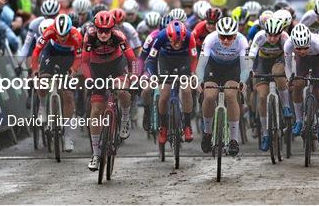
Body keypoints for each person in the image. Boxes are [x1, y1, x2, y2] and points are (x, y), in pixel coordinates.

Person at [81, 11, 138, 171]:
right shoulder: (89, 37)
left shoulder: (119, 36)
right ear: (95, 28)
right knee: (96, 110)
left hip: (116, 66)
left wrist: (133, 77)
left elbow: (132, 59)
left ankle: (125, 118)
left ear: (112, 29)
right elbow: (84, 63)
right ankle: (95, 153)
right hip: (97, 68)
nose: (104, 34)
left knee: (122, 91)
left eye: (107, 30)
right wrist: (89, 79)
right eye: (100, 30)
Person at [196, 17, 249, 156]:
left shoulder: (242, 41)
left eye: (229, 37)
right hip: (213, 66)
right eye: (222, 37)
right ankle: (207, 133)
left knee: (231, 96)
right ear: (217, 34)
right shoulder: (210, 39)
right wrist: (200, 80)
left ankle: (233, 139)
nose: (225, 40)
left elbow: (245, 66)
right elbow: (201, 63)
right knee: (208, 96)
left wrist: (243, 81)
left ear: (235, 35)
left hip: (233, 68)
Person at [31, 14, 83, 152]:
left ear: (70, 30)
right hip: (51, 54)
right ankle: (42, 106)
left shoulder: (77, 35)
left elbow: (79, 57)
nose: (62, 38)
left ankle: (67, 136)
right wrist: (35, 69)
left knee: (69, 96)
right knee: (42, 81)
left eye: (65, 35)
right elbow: (36, 52)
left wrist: (73, 71)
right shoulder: (49, 30)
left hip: (69, 58)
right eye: (59, 35)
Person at [284, 23, 319, 149]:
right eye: (298, 49)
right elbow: (288, 65)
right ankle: (298, 120)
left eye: (305, 48)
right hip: (302, 63)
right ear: (294, 45)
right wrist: (289, 79)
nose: (302, 51)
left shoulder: (318, 43)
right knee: (298, 85)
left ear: (309, 42)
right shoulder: (288, 44)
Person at [145, 20, 198, 145]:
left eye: (179, 41)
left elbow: (194, 58)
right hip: (166, 61)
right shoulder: (161, 36)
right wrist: (152, 76)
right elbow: (151, 59)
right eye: (173, 41)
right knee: (163, 96)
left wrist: (193, 73)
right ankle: (163, 127)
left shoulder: (190, 37)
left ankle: (187, 126)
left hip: (183, 61)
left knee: (186, 90)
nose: (177, 44)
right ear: (168, 37)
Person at [248, 17, 290, 151]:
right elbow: (252, 55)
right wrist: (250, 70)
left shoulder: (285, 38)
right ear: (265, 33)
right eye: (270, 35)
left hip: (279, 61)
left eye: (275, 36)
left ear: (280, 33)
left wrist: (290, 74)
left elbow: (290, 58)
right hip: (262, 63)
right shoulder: (259, 36)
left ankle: (286, 107)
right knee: (262, 96)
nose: (272, 39)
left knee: (278, 73)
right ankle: (265, 134)